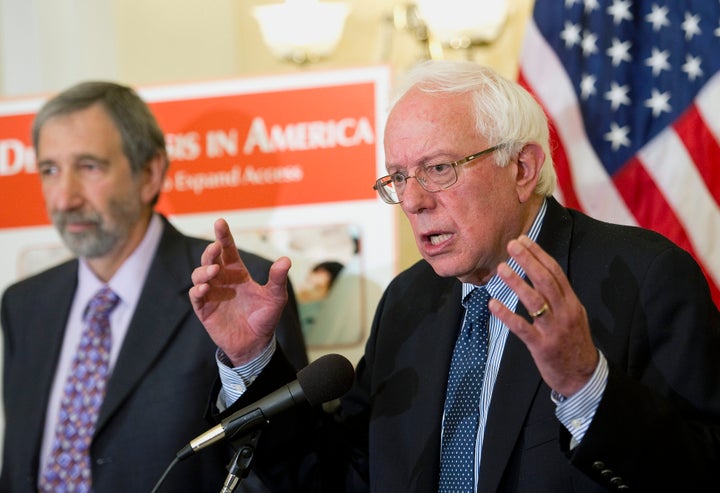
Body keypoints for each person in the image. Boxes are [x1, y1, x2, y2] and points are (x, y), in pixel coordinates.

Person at [189, 60, 720, 492]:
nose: (414, 200)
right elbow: (341, 478)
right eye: (398, 177)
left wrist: (586, 386)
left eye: (438, 168)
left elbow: (702, 474)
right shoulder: (408, 300)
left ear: (522, 168)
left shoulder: (644, 277)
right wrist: (251, 360)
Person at [0, 81, 308, 493]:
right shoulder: (24, 305)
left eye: (89, 167)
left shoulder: (232, 291)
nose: (65, 197)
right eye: (50, 170)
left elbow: (285, 470)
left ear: (149, 173)